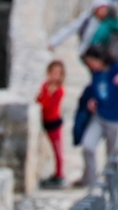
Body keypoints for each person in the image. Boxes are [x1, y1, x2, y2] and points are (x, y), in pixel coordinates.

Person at [74, 46, 118, 186]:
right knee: (88, 145)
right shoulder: (96, 74)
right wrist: (92, 101)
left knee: (113, 155)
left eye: (91, 62)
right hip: (100, 116)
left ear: (100, 59)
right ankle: (90, 181)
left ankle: (112, 187)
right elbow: (96, 90)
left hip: (117, 120)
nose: (90, 66)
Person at [48, 0, 118, 59]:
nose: (103, 12)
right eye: (101, 9)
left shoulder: (110, 22)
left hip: (103, 55)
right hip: (86, 53)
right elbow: (70, 29)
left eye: (105, 9)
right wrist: (54, 42)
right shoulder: (86, 19)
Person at [37, 60, 68, 188]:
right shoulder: (45, 86)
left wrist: (46, 97)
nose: (54, 76)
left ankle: (60, 174)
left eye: (57, 73)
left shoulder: (59, 91)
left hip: (54, 122)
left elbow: (50, 106)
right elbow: (39, 100)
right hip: (44, 121)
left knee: (57, 149)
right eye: (52, 73)